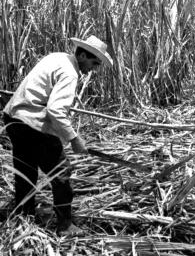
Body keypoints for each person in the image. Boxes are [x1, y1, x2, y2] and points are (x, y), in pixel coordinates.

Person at [3, 35, 113, 235]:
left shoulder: (57, 57)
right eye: (94, 62)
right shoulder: (70, 72)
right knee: (61, 172)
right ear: (81, 55)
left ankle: (23, 216)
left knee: (26, 171)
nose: (94, 68)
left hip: (13, 117)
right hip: (32, 122)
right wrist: (74, 139)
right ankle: (65, 225)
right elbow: (55, 110)